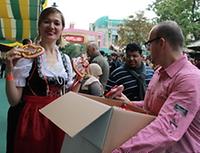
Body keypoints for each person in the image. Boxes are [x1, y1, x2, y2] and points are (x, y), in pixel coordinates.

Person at [112, 21, 200, 153]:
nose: (148, 49)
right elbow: (152, 107)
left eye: (149, 44)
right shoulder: (159, 72)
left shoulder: (189, 79)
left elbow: (166, 128)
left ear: (161, 43)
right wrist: (128, 103)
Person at [5, 7, 75, 153]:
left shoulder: (65, 60)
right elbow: (14, 100)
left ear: (62, 29)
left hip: (58, 119)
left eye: (57, 23)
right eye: (46, 22)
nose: (51, 26)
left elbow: (69, 96)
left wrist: (81, 79)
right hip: (33, 120)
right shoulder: (28, 56)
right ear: (39, 26)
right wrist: (10, 69)